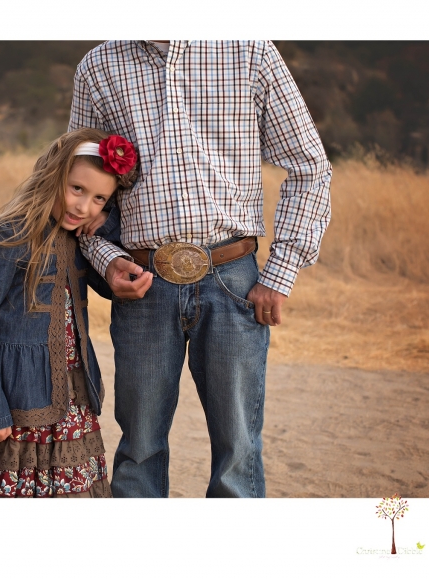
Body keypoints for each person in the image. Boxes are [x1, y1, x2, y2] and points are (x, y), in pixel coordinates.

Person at [70, 40, 332, 497]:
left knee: (237, 450)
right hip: (143, 283)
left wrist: (279, 273)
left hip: (233, 279)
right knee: (139, 448)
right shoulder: (99, 66)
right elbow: (78, 187)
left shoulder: (250, 50)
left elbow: (310, 167)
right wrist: (108, 261)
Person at [0, 127, 138, 498]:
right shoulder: (13, 233)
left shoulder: (78, 238)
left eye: (99, 199)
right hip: (11, 394)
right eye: (77, 189)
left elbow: (108, 286)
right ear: (53, 176)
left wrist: (106, 222)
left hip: (68, 392)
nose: (83, 207)